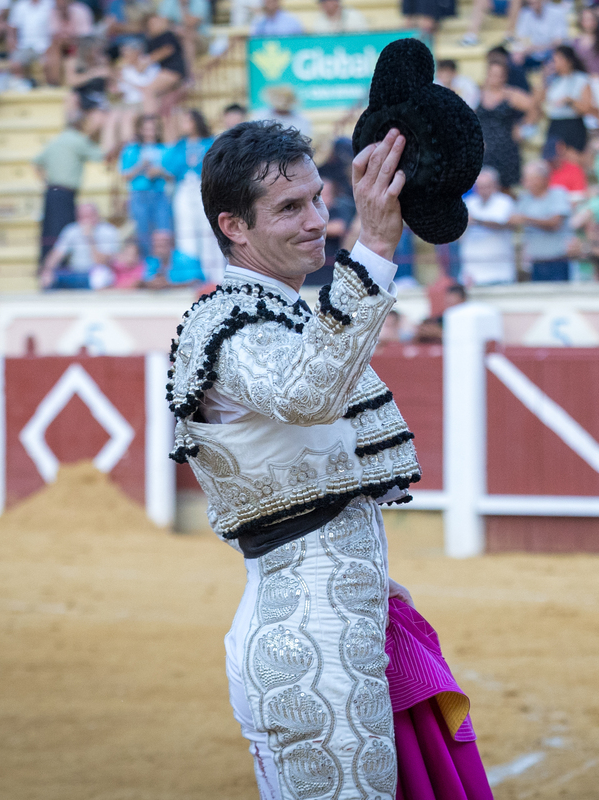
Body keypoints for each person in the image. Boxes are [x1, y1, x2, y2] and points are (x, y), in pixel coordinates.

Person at [168, 122, 422, 800]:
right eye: (290, 208)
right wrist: (373, 248)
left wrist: (370, 584)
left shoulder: (279, 315)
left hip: (331, 625)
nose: (318, 221)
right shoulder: (226, 322)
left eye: (317, 199)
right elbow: (307, 393)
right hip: (308, 644)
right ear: (234, 227)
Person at [33, 111, 105, 261]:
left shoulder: (56, 140)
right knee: (64, 233)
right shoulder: (79, 140)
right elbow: (101, 156)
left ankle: (46, 268)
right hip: (65, 193)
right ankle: (61, 270)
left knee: (49, 233)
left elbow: (36, 162)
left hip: (51, 191)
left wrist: (45, 181)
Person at [163, 108, 221, 282]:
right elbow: (168, 166)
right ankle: (191, 276)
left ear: (196, 122)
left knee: (208, 231)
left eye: (186, 121)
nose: (183, 125)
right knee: (185, 232)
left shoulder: (211, 143)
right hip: (184, 189)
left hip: (204, 188)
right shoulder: (180, 146)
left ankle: (214, 277)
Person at [476, 54, 535, 190]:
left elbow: (534, 108)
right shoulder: (478, 93)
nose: (494, 78)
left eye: (498, 75)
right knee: (483, 188)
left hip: (506, 148)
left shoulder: (511, 94)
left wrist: (522, 127)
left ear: (504, 76)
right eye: (492, 74)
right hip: (484, 149)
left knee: (505, 188)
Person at [511, 159, 573, 281]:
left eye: (528, 179)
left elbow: (555, 223)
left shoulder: (558, 194)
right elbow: (513, 219)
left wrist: (526, 219)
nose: (524, 182)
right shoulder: (525, 199)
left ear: (540, 179)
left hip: (557, 260)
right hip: (536, 261)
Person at [120, 114, 173, 255]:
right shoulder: (131, 149)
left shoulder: (165, 149)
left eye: (153, 129)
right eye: (147, 129)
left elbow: (173, 175)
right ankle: (147, 267)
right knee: (142, 234)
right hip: (139, 195)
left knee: (164, 234)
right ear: (140, 130)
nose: (150, 132)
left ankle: (164, 266)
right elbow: (125, 175)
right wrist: (140, 167)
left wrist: (159, 172)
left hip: (160, 195)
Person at [39, 202, 121, 288]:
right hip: (75, 272)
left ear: (97, 215)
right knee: (50, 278)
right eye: (82, 217)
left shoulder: (108, 231)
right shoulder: (71, 230)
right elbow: (57, 254)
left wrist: (90, 239)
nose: (86, 220)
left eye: (89, 216)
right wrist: (47, 270)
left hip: (98, 273)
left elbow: (102, 262)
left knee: (98, 279)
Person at [460, 166, 516, 286]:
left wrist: (476, 221)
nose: (483, 190)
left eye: (487, 186)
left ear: (495, 185)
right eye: (480, 187)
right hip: (472, 273)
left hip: (500, 273)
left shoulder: (505, 202)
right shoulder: (469, 203)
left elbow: (503, 224)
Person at [538, 45, 591, 152]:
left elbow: (587, 108)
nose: (554, 63)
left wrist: (570, 101)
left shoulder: (581, 79)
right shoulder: (552, 81)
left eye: (557, 59)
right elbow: (539, 102)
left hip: (573, 125)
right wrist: (544, 79)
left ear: (568, 60)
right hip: (555, 124)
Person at [512, 0, 570, 70]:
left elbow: (558, 41)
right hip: (532, 54)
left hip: (551, 53)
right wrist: (520, 52)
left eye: (536, 2)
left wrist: (535, 47)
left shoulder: (557, 12)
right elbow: (521, 38)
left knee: (556, 57)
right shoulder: (525, 13)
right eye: (531, 3)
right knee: (514, 59)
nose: (534, 4)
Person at [7, 0, 52, 76]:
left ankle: (50, 86)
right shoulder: (20, 6)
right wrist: (13, 47)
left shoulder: (49, 5)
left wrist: (51, 48)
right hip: (23, 46)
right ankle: (20, 85)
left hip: (46, 46)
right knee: (15, 64)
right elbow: (11, 29)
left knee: (51, 63)